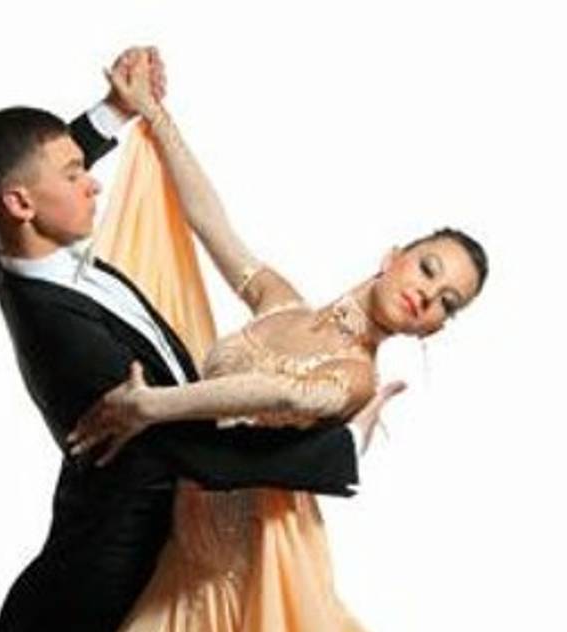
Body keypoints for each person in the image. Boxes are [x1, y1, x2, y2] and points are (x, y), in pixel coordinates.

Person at [0, 47, 388, 632]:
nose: (94, 185)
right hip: (115, 574)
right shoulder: (61, 337)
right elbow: (189, 447)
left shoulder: (16, 243)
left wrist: (116, 109)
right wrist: (344, 448)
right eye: (74, 175)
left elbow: (24, 168)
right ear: (20, 203)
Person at [65, 52, 488, 630]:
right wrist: (153, 113)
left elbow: (282, 394)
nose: (428, 294)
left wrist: (153, 406)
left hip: (241, 581)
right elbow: (210, 223)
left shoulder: (356, 376)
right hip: (179, 555)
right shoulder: (280, 301)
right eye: (428, 268)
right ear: (393, 257)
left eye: (447, 303)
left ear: (434, 327)